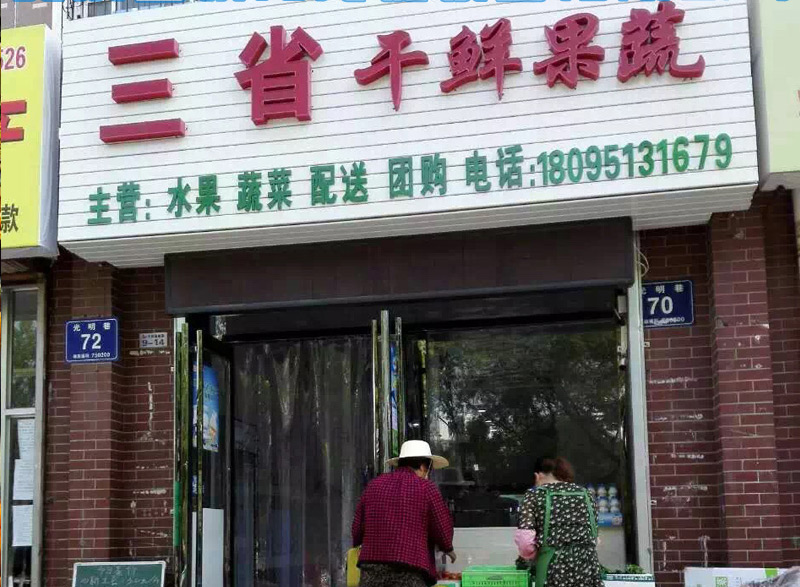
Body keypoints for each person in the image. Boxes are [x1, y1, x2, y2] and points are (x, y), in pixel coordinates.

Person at [352, 440, 457, 587]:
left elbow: (357, 529)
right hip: (410, 569)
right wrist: (448, 548)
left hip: (372, 569)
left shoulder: (374, 485)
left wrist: (359, 542)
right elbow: (442, 527)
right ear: (423, 466)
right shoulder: (426, 488)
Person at [517, 457, 603, 587]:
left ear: (538, 476)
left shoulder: (534, 495)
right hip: (588, 569)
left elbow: (525, 543)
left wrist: (530, 557)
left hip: (552, 569)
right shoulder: (587, 495)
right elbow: (595, 539)